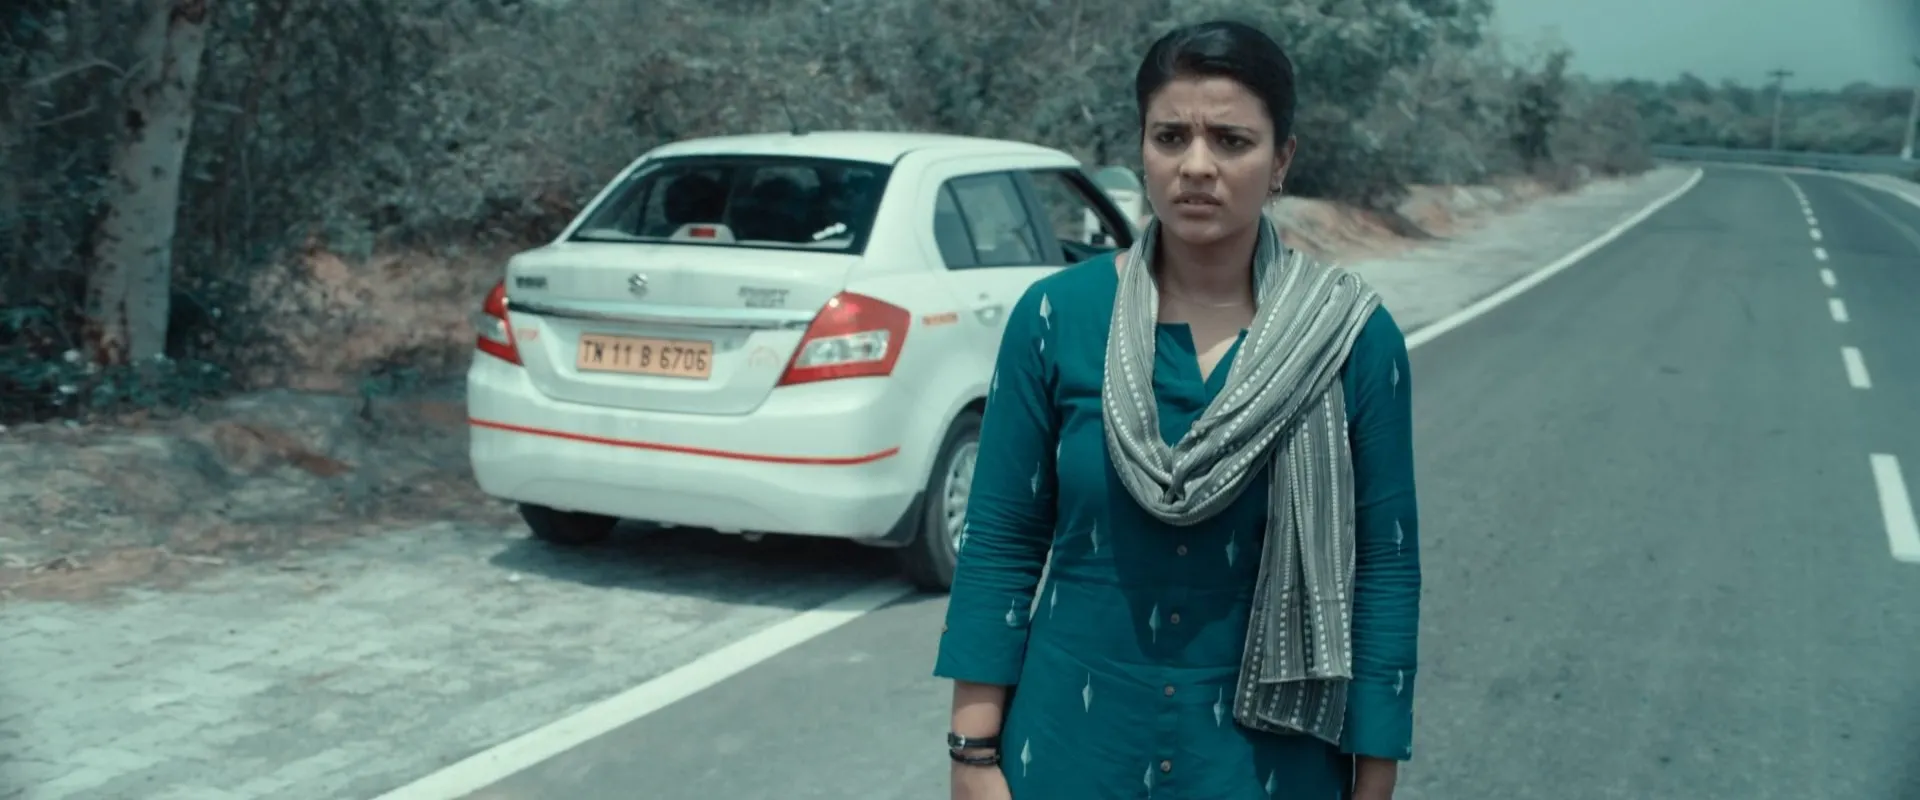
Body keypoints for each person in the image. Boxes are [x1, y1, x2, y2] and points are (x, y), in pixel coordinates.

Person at [932, 19, 1421, 800]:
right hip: (1071, 750)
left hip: (1268, 766)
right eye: (1171, 137)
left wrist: (1375, 778)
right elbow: (1001, 540)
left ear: (1282, 160)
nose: (1197, 165)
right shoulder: (1059, 318)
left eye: (1231, 141)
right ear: (1142, 150)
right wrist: (972, 753)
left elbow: (1385, 567)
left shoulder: (1348, 338)